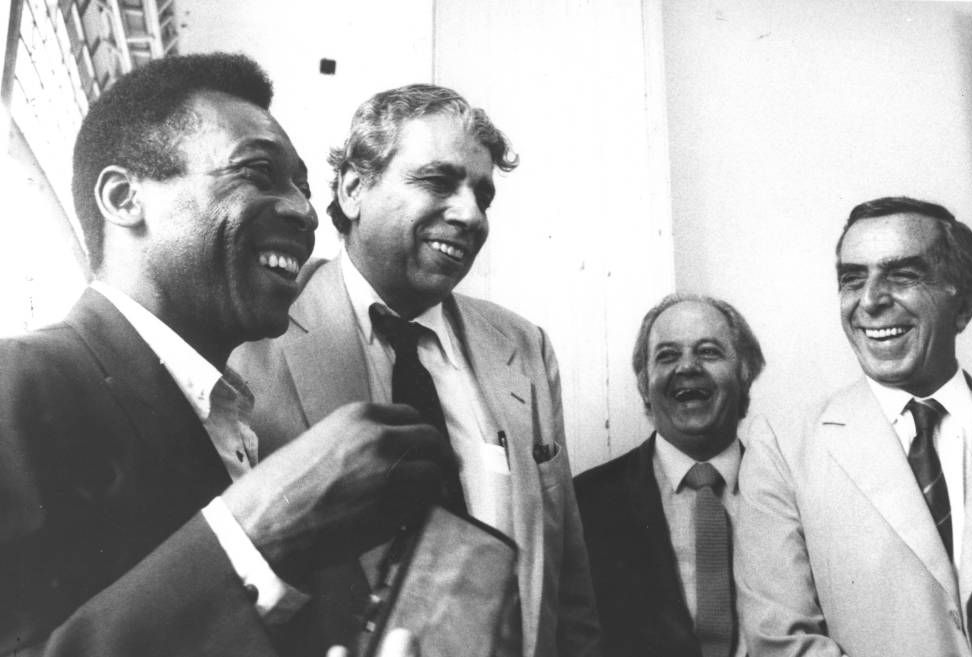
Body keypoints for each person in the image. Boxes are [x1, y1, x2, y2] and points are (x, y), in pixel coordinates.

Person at [0, 53, 452, 657]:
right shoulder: (15, 388)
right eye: (257, 172)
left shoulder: (240, 424)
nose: (305, 212)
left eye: (302, 187)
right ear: (123, 197)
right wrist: (254, 536)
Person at [230, 84, 601, 657]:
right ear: (354, 189)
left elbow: (568, 578)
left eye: (483, 195)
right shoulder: (252, 338)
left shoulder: (523, 347)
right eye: (437, 181)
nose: (471, 215)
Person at [736, 196, 972, 657]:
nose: (870, 301)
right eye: (853, 279)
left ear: (965, 304)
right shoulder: (782, 448)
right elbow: (781, 641)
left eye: (903, 275)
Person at [574, 294, 765, 657]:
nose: (687, 366)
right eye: (667, 355)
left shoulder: (794, 491)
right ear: (644, 384)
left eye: (708, 351)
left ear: (744, 375)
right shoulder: (585, 502)